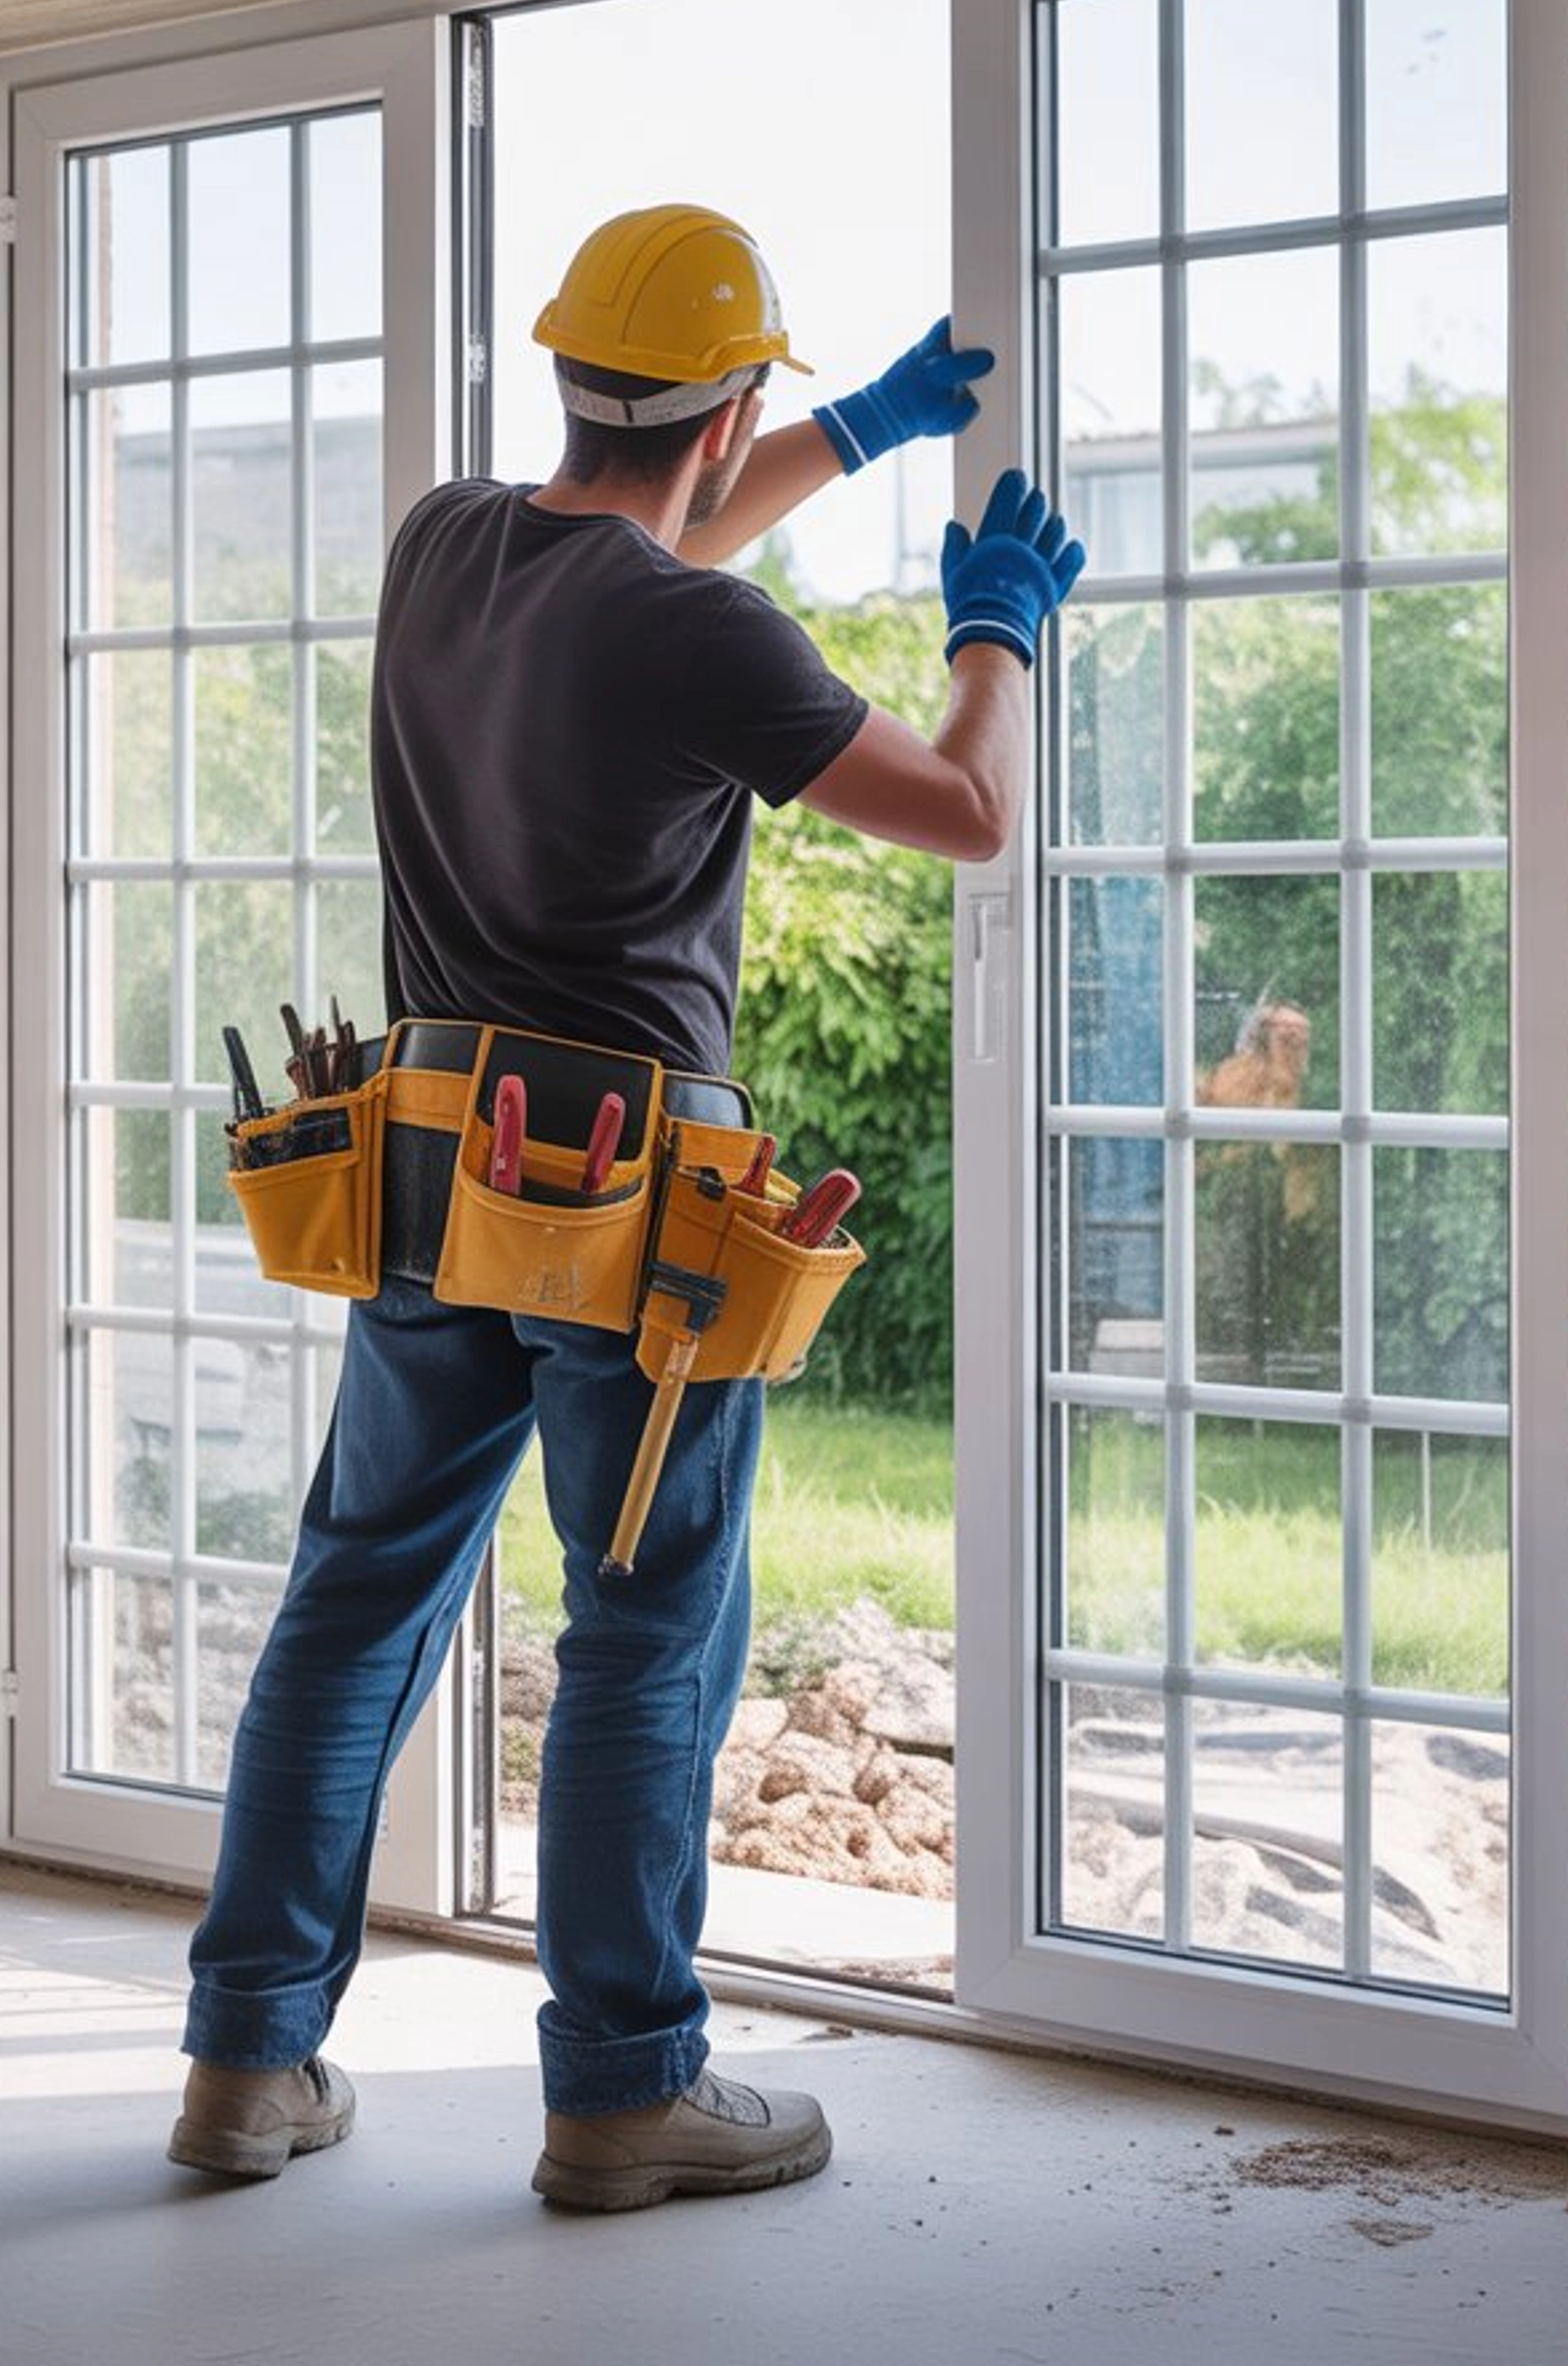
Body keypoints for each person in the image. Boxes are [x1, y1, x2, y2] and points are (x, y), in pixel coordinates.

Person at [170, 202, 1083, 2211]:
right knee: (649, 1620)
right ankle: (619, 2094)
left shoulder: (447, 543)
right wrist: (998, 630)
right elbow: (969, 809)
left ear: (569, 374)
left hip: (428, 1165)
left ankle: (243, 2065)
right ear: (728, 395)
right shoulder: (701, 635)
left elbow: (652, 547)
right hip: (632, 1208)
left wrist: (846, 430)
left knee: (356, 1596)